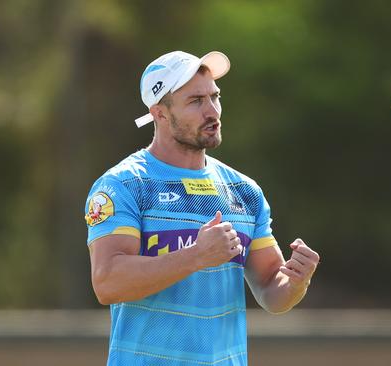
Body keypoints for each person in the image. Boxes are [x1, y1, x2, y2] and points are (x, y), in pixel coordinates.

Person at [84, 50, 320, 365]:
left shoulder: (244, 191)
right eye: (196, 101)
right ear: (160, 113)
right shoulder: (123, 185)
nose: (212, 111)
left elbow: (270, 290)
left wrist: (296, 280)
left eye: (215, 97)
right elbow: (107, 282)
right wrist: (197, 255)